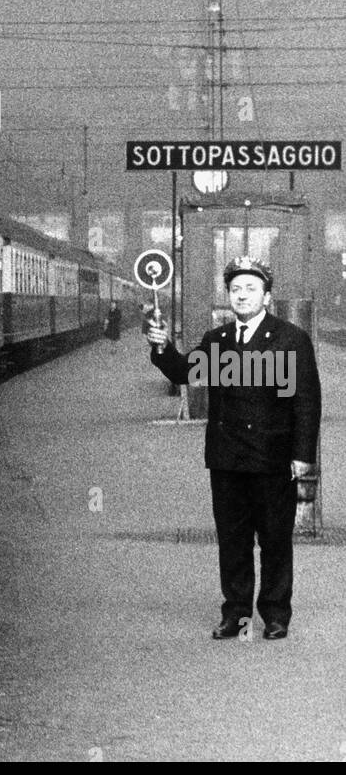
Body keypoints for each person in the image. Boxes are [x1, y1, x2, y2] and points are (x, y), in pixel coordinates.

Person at [146, 256, 321, 641]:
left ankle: (276, 614)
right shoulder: (217, 341)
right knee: (233, 541)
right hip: (227, 459)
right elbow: (184, 372)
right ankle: (236, 614)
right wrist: (162, 348)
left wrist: (302, 455)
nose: (242, 296)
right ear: (228, 296)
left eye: (250, 289)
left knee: (275, 540)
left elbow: (305, 402)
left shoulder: (291, 340)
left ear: (267, 297)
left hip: (273, 459)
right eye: (235, 290)